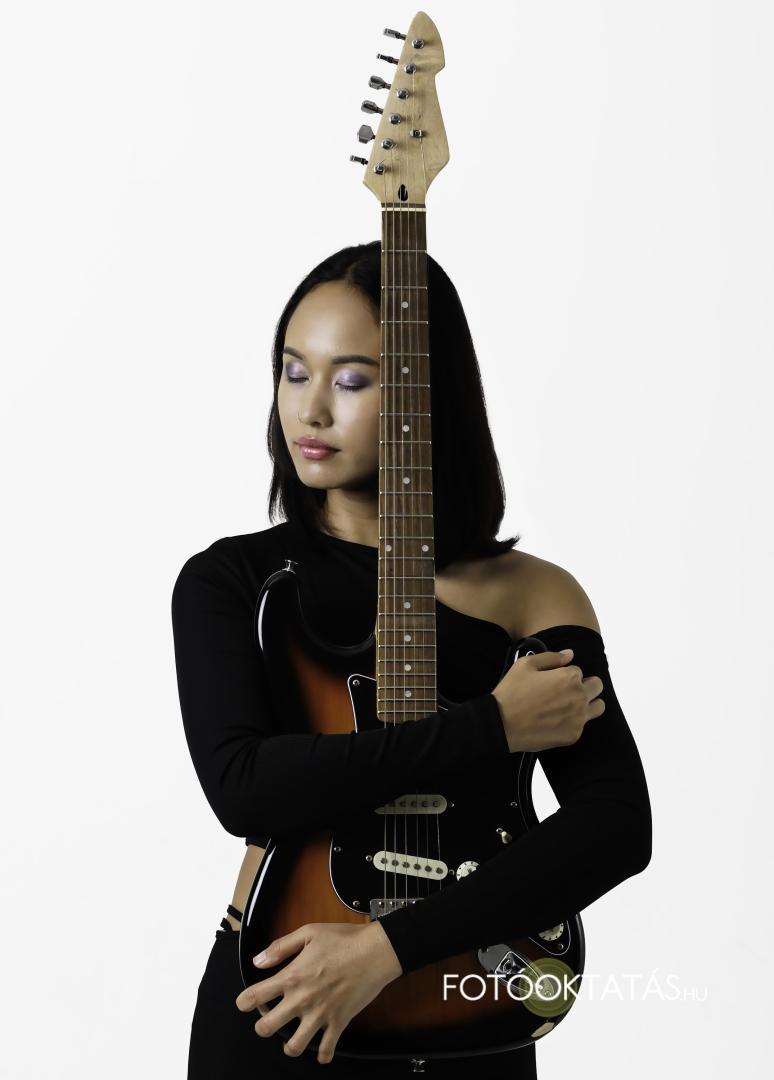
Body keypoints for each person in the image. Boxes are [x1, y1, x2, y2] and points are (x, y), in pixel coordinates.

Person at [171, 241, 652, 1078]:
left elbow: (616, 828)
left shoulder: (533, 595)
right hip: (286, 992)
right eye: (293, 371)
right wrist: (490, 727)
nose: (310, 409)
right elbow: (245, 786)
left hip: (472, 994)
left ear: (427, 396)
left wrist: (388, 950)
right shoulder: (234, 581)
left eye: (352, 380)